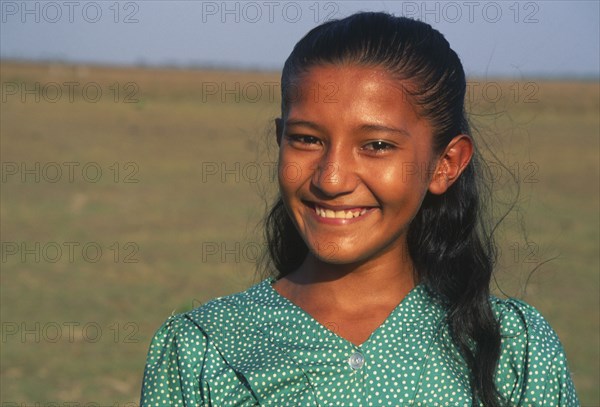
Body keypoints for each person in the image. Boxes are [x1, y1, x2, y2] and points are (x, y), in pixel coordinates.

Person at [140, 12, 579, 406]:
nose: (331, 179)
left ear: (445, 164)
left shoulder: (511, 349)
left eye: (376, 146)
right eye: (307, 139)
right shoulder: (202, 349)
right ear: (279, 141)